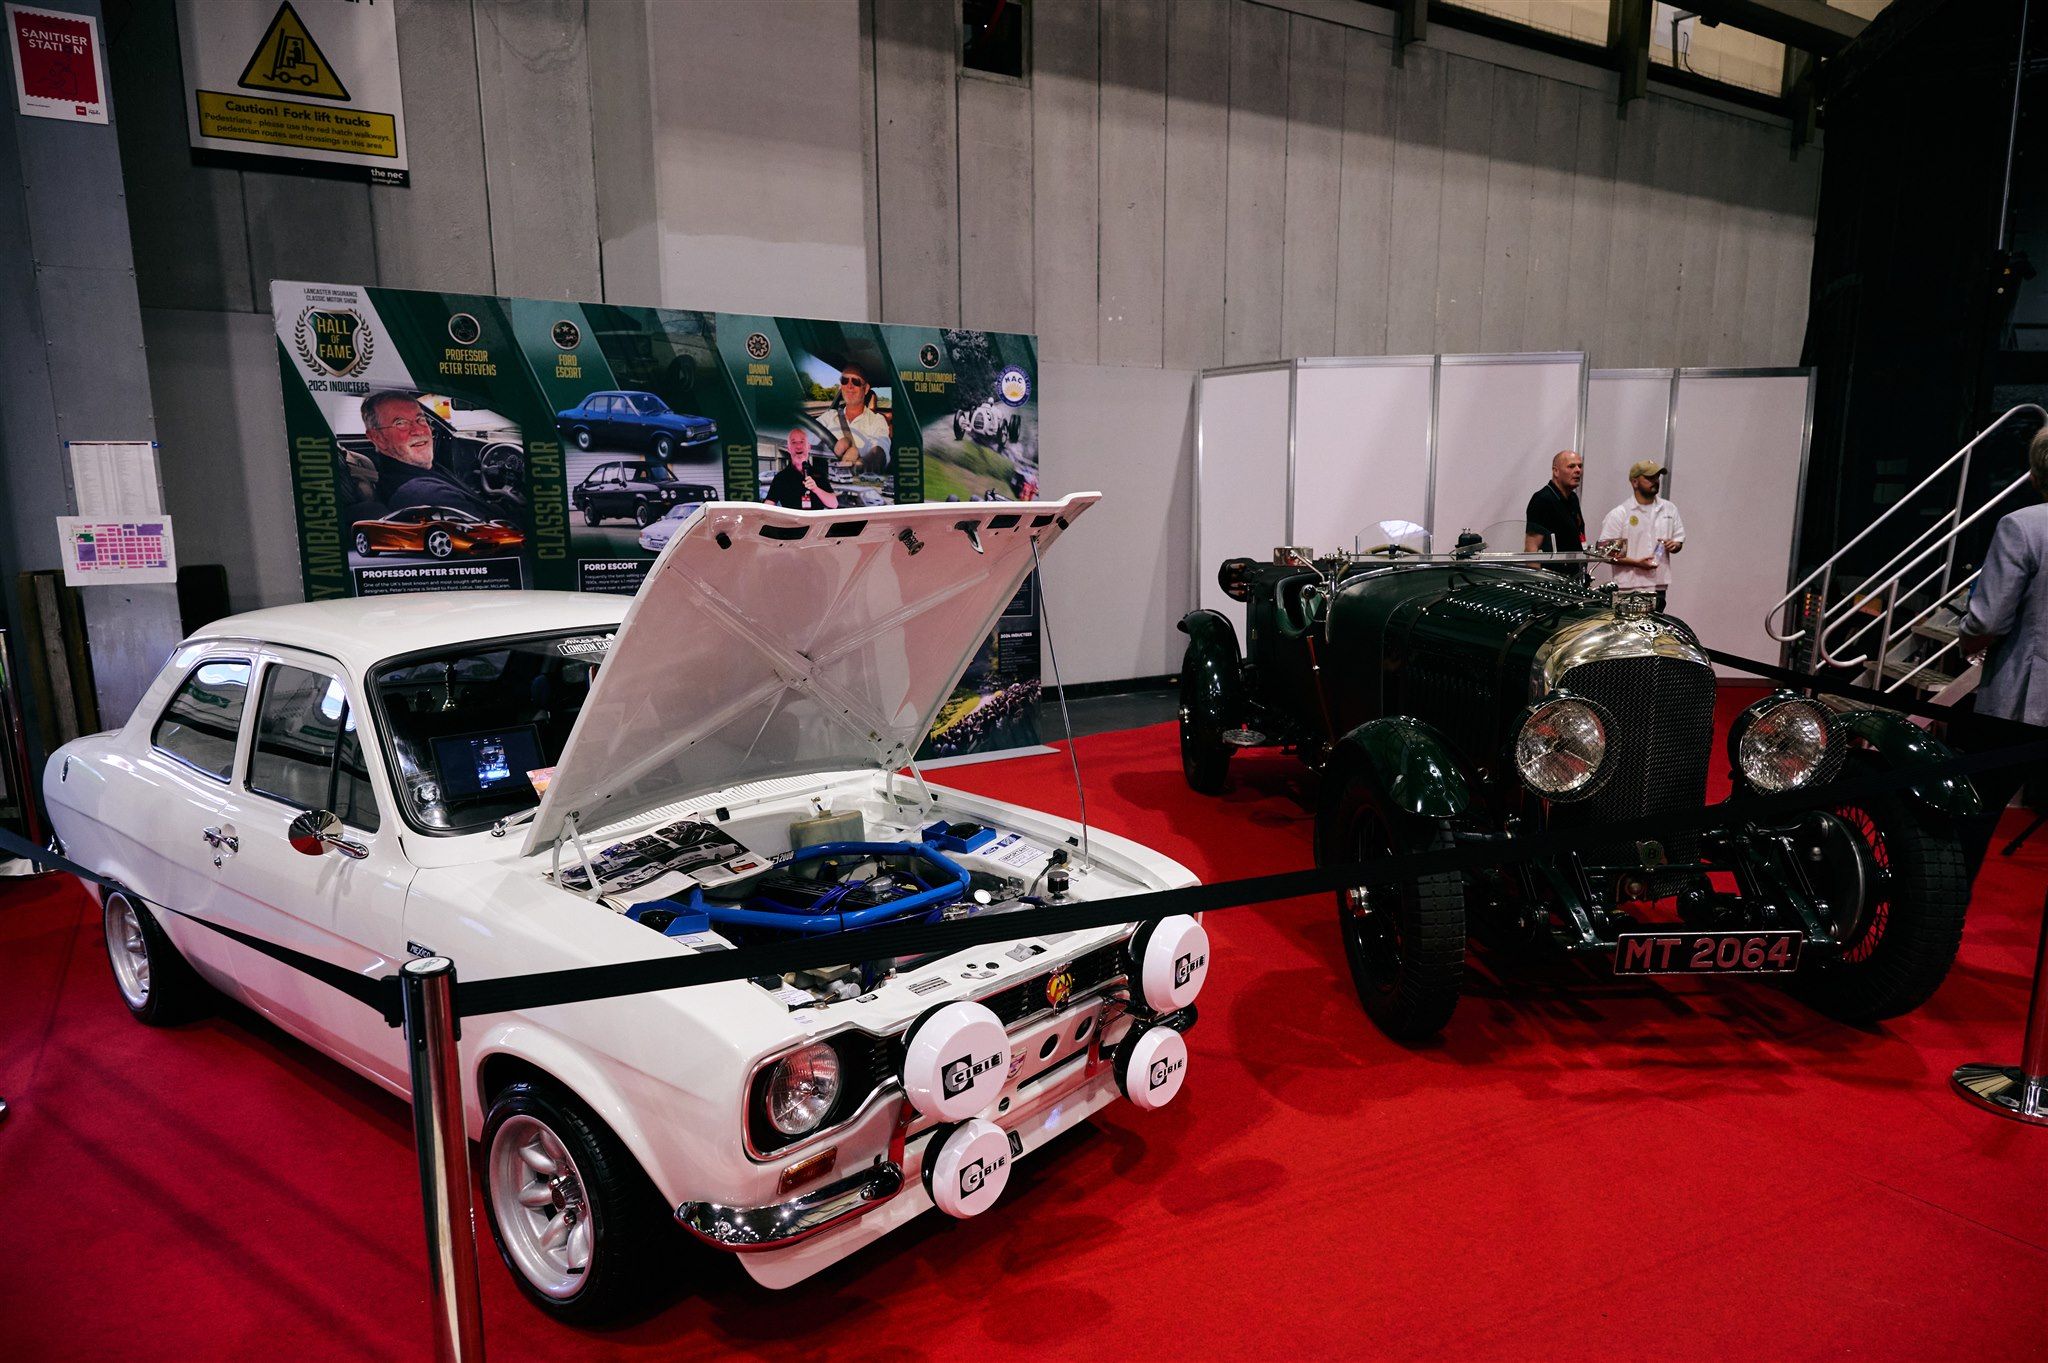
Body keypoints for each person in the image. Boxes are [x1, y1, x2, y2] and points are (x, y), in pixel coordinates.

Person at [1958, 427, 2048, 873]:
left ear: (2035, 473)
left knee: (1975, 813)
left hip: (2023, 704)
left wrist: (1966, 639)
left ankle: (1938, 932)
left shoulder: (2023, 526)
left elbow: (1989, 619)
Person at [349, 390, 497, 519]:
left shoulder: (417, 471)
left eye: (421, 419)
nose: (419, 430)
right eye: (400, 423)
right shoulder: (425, 494)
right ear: (378, 438)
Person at [1597, 460, 1686, 611]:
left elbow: (1679, 540)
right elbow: (1607, 553)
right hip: (1628, 588)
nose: (1655, 481)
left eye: (1657, 477)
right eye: (1649, 478)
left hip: (1659, 586)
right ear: (1635, 482)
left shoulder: (1669, 509)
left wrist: (1675, 545)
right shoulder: (1620, 514)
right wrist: (1637, 563)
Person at [1524, 449, 1586, 576]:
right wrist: (1538, 583)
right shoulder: (1542, 499)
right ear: (1556, 471)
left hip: (1574, 578)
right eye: (1571, 466)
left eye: (1580, 466)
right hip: (1553, 580)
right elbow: (1532, 548)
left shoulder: (1572, 498)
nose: (1578, 470)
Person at [828, 366, 891, 476]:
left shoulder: (877, 420)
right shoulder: (828, 416)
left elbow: (880, 447)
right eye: (845, 381)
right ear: (841, 386)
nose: (849, 386)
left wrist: (862, 464)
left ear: (866, 389)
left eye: (856, 382)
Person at [764, 427, 838, 509]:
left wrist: (816, 489)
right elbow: (769, 504)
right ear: (788, 449)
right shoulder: (780, 478)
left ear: (809, 447)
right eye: (794, 442)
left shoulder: (819, 474)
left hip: (816, 521)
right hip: (791, 521)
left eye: (802, 442)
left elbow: (834, 504)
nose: (798, 446)